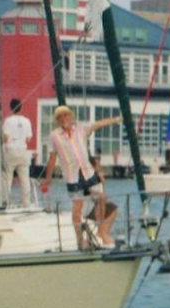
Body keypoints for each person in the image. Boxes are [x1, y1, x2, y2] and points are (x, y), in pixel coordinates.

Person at [41, 106, 121, 249]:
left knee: (102, 198)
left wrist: (115, 120)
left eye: (65, 115)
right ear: (58, 121)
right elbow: (52, 158)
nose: (63, 119)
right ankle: (80, 240)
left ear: (70, 116)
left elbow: (98, 124)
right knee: (77, 208)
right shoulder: (55, 136)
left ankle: (101, 233)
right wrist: (48, 178)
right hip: (73, 177)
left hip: (88, 173)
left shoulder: (80, 129)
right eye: (60, 117)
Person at [1, 98, 34, 207]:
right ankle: (26, 203)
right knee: (25, 178)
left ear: (11, 107)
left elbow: (5, 137)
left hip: (11, 149)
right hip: (23, 150)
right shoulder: (27, 121)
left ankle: (7, 202)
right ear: (21, 107)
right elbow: (29, 138)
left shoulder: (8, 121)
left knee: (8, 178)